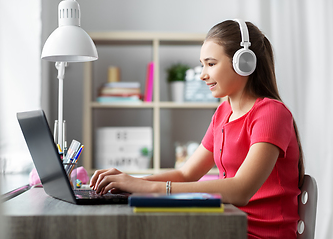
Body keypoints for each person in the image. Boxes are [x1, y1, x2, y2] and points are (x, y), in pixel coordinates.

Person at [90, 19, 305, 239]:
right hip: (226, 226)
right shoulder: (222, 113)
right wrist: (130, 182)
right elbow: (186, 173)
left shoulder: (271, 113)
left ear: (245, 63)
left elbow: (241, 190)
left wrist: (146, 188)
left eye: (211, 64)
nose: (202, 74)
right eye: (202, 64)